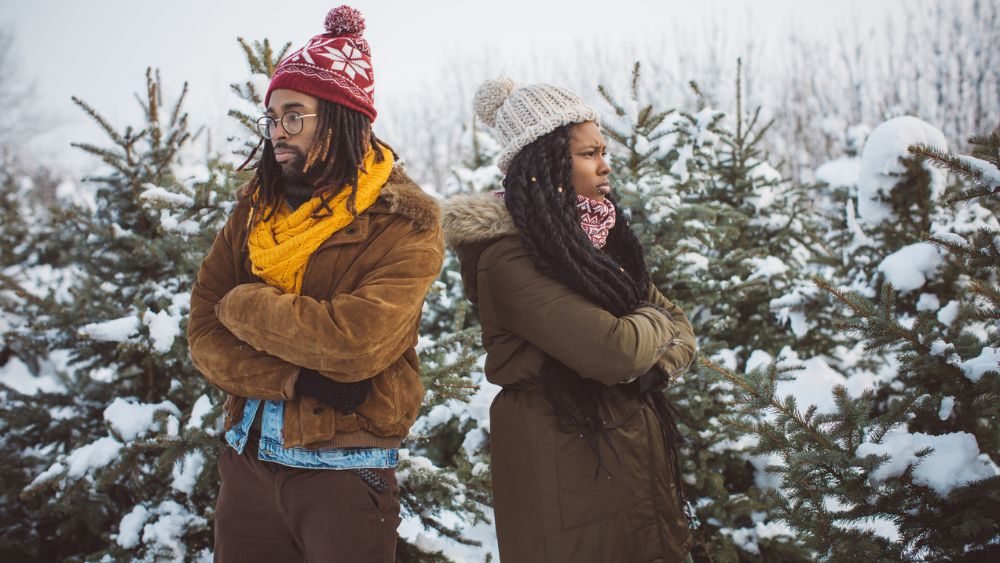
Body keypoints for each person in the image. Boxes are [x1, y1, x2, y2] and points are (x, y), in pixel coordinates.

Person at [187, 6, 444, 562]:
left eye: (294, 116)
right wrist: (297, 376)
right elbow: (203, 332)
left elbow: (357, 341)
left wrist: (244, 304)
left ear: (341, 119)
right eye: (272, 118)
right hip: (247, 458)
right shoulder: (253, 211)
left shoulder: (404, 222)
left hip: (343, 471)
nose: (278, 132)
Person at [441, 77, 698, 562]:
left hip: (630, 456)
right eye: (588, 154)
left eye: (603, 151)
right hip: (567, 469)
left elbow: (679, 327)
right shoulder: (507, 258)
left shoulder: (599, 240)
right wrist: (648, 337)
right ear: (547, 164)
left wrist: (651, 358)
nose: (605, 166)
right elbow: (616, 351)